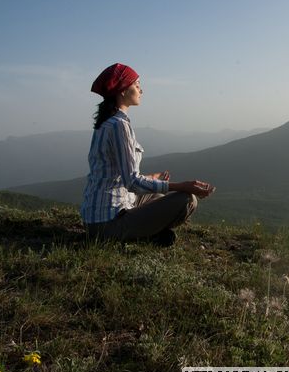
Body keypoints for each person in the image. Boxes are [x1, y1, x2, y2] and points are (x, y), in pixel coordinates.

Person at [80, 62, 215, 245]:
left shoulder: (107, 123)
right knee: (187, 200)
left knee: (157, 197)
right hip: (108, 224)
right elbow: (132, 181)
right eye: (136, 85)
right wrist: (183, 186)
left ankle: (147, 234)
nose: (141, 90)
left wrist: (153, 178)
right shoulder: (119, 125)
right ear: (122, 91)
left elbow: (116, 176)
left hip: (100, 217)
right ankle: (141, 237)